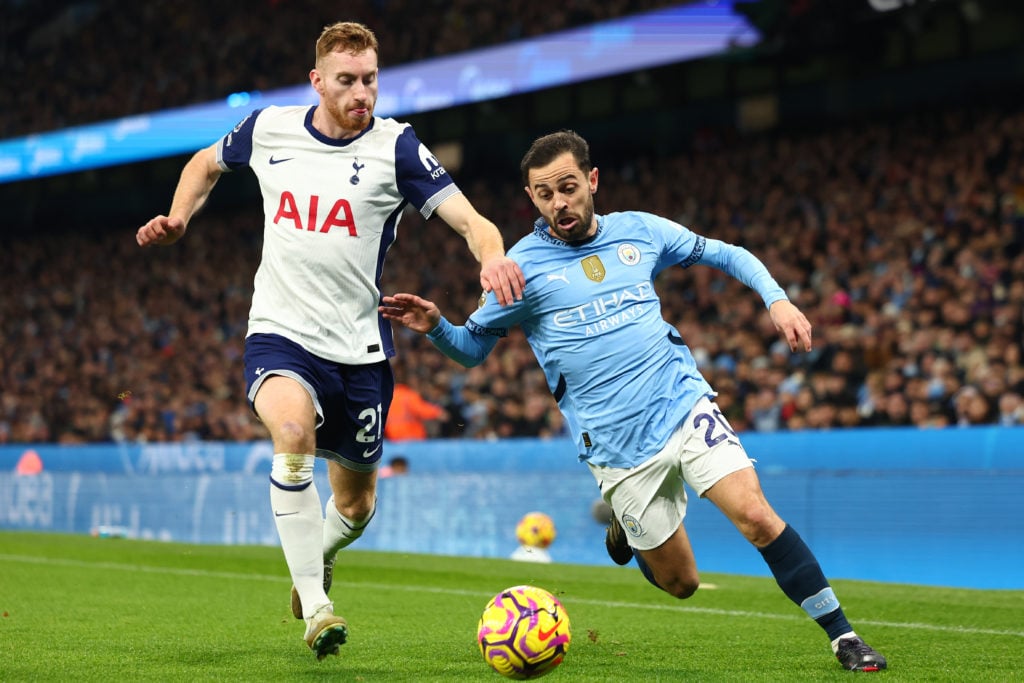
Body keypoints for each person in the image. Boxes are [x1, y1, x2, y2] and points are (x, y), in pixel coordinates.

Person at [380, 130, 887, 672]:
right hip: (616, 447)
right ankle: (625, 529)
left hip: (682, 404)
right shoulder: (518, 268)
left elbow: (726, 253)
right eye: (545, 194)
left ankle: (843, 636)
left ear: (592, 181)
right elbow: (471, 349)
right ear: (531, 199)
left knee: (757, 517)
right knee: (682, 583)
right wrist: (436, 327)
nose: (560, 203)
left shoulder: (640, 232)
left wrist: (777, 300)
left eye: (569, 187)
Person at [136, 21, 524, 660]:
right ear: (317, 81)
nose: (361, 92)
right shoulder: (268, 129)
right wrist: (180, 217)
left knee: (357, 505)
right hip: (280, 335)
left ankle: (315, 555)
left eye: (370, 79)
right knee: (291, 438)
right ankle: (316, 606)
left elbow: (471, 221)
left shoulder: (397, 148)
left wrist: (491, 258)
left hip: (361, 351)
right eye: (346, 81)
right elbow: (204, 164)